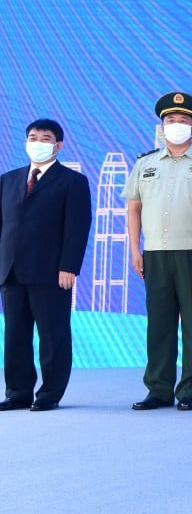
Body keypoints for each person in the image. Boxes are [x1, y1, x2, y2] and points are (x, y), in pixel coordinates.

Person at [124, 92, 192, 411]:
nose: (176, 126)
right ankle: (158, 388)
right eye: (171, 121)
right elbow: (133, 207)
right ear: (161, 126)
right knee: (159, 323)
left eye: (183, 121)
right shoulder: (145, 163)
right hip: (156, 252)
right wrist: (135, 249)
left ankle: (189, 390)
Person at [0, 119, 92, 411]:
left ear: (58, 145)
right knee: (15, 335)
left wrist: (69, 266)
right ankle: (18, 393)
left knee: (52, 335)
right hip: (11, 270)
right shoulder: (9, 179)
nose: (37, 142)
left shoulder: (72, 182)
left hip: (51, 272)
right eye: (33, 137)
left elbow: (77, 228)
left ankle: (50, 394)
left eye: (45, 138)